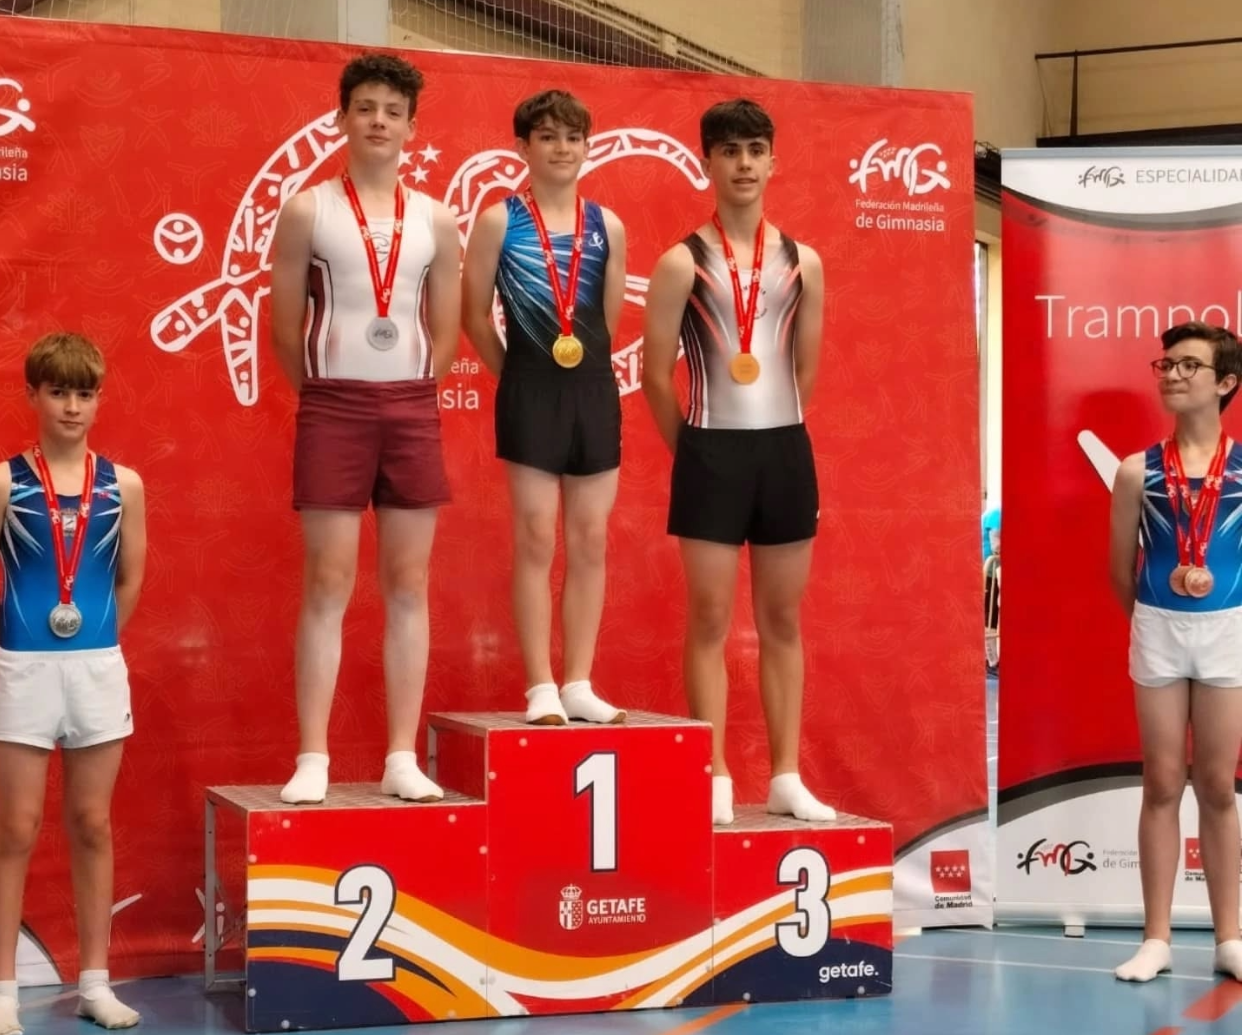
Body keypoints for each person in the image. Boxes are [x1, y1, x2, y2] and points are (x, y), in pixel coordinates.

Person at [267, 53, 461, 804]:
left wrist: (409, 390)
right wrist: (327, 394)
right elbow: (286, 327)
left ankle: (401, 756)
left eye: (393, 111)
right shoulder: (308, 210)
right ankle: (312, 755)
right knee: (328, 581)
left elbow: (445, 332)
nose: (379, 121)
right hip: (334, 406)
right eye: (366, 107)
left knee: (409, 582)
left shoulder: (436, 220)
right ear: (342, 117)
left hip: (411, 406)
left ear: (412, 126)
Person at [641, 98, 835, 826]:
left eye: (755, 150)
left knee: (782, 618)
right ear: (707, 163)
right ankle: (716, 772)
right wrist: (696, 450)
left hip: (784, 448)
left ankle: (785, 775)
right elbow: (656, 376)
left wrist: (770, 434)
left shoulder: (803, 263)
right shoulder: (679, 263)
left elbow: (805, 370)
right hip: (709, 449)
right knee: (711, 617)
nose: (744, 164)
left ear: (773, 161)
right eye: (729, 151)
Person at [461, 89, 628, 726]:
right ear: (523, 146)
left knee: (589, 539)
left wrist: (576, 372)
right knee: (535, 536)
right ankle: (540, 685)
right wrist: (517, 375)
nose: (562, 149)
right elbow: (475, 316)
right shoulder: (499, 222)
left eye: (573, 138)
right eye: (549, 137)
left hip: (592, 390)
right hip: (529, 389)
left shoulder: (606, 226)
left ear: (587, 147)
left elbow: (606, 321)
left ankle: (579, 680)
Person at [0, 332, 147, 1031]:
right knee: (15, 827)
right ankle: (3, 988)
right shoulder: (7, 482)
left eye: (84, 393)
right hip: (22, 666)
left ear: (99, 400)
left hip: (96, 665)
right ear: (32, 395)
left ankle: (95, 982)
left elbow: (130, 579)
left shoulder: (123, 486)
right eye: (58, 391)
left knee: (92, 823)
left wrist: (97, 643)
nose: (71, 406)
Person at [1109, 321, 1242, 983]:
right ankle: (1156, 938)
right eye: (1166, 364)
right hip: (1159, 625)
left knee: (1217, 784)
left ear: (1225, 383)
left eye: (1190, 365)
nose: (1172, 374)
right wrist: (1153, 620)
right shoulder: (1138, 471)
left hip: (1228, 627)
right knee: (1161, 781)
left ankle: (1230, 937)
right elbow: (1119, 570)